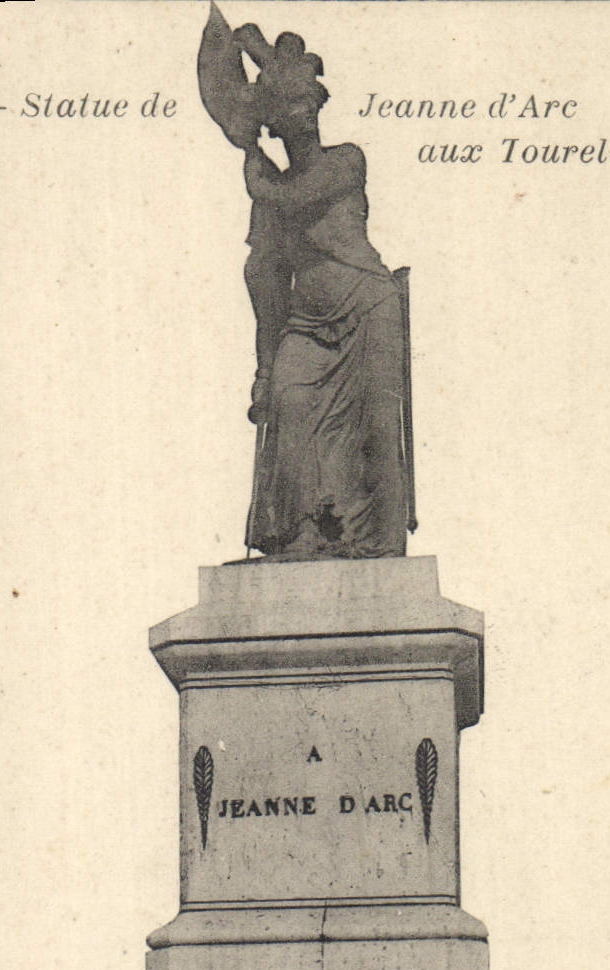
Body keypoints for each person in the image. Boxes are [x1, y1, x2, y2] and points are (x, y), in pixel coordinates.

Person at [200, 9, 410, 560]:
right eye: (290, 112)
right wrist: (266, 369)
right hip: (308, 328)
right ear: (276, 123)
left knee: (375, 434)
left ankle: (380, 548)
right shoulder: (268, 192)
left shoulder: (345, 162)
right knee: (290, 407)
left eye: (307, 107)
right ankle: (304, 536)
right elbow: (264, 282)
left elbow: (296, 196)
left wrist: (252, 164)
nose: (304, 121)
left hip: (367, 308)